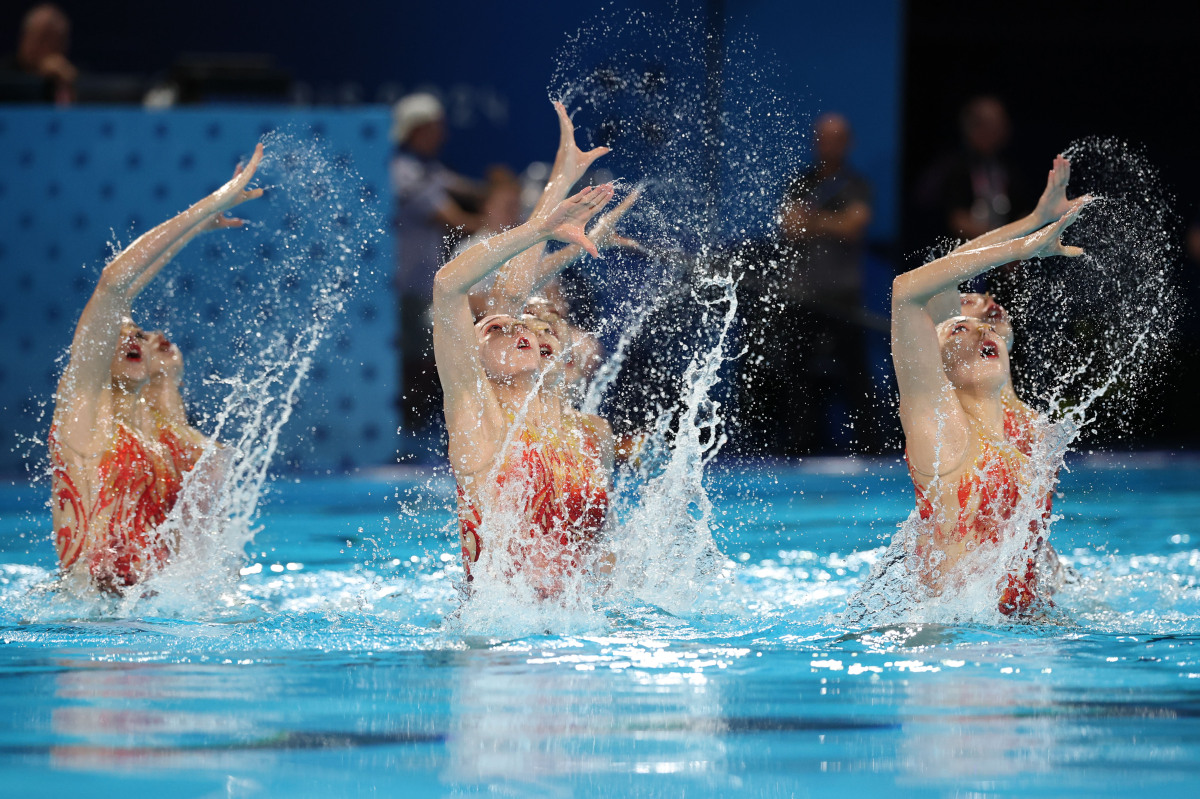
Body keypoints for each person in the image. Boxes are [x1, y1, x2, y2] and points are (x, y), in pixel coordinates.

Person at [49, 144, 264, 593]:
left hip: (146, 617)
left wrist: (195, 231)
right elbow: (114, 283)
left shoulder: (149, 432)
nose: (131, 337)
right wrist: (210, 203)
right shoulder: (82, 410)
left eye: (139, 334)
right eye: (118, 333)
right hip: (86, 627)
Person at [890, 152, 1090, 617]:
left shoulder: (1032, 428)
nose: (981, 319)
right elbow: (918, 286)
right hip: (962, 646)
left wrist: (1034, 221)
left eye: (986, 325)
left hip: (1025, 625)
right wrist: (1023, 242)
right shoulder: (943, 432)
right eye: (959, 323)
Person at [432, 180, 615, 599]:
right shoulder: (477, 417)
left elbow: (598, 550)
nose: (519, 331)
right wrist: (540, 228)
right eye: (495, 329)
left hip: (578, 636)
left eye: (536, 332)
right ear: (469, 359)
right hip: (499, 647)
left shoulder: (591, 435)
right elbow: (451, 287)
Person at [390, 93, 485, 448]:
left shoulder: (427, 169)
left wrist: (504, 191)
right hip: (406, 287)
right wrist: (516, 228)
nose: (442, 134)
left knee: (429, 358)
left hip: (422, 285)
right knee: (418, 362)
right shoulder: (403, 172)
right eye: (435, 128)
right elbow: (455, 220)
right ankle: (409, 438)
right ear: (417, 130)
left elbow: (467, 189)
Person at [2, 3, 76, 104]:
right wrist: (39, 77)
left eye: (58, 40)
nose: (49, 46)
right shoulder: (4, 74)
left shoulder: (68, 76)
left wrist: (67, 83)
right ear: (25, 38)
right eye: (43, 38)